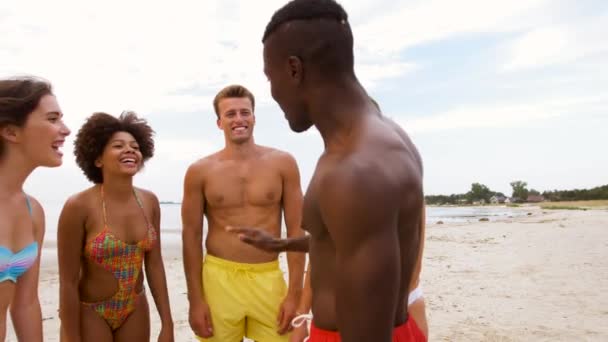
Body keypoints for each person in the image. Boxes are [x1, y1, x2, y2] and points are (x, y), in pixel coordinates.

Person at [228, 0, 427, 341]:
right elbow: (350, 238)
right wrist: (284, 244)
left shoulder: (354, 171)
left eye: (269, 77)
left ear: (294, 70)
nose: (273, 93)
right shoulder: (387, 137)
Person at [181, 84, 306, 341]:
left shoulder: (283, 164)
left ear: (254, 118)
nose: (239, 119)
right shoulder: (200, 171)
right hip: (218, 280)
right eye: (230, 114)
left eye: (244, 112)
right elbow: (191, 237)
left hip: (268, 277)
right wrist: (196, 300)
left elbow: (296, 231)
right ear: (219, 123)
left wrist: (295, 295)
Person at [57, 111, 174, 342]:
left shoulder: (149, 202)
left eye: (135, 146)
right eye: (118, 146)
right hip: (91, 310)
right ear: (98, 158)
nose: (130, 150)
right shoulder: (78, 206)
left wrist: (167, 324)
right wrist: (70, 335)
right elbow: (68, 282)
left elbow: (155, 265)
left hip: (134, 307)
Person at [0, 76, 71, 341]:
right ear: (11, 132)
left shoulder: (33, 211)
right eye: (52, 119)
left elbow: (26, 303)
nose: (65, 129)